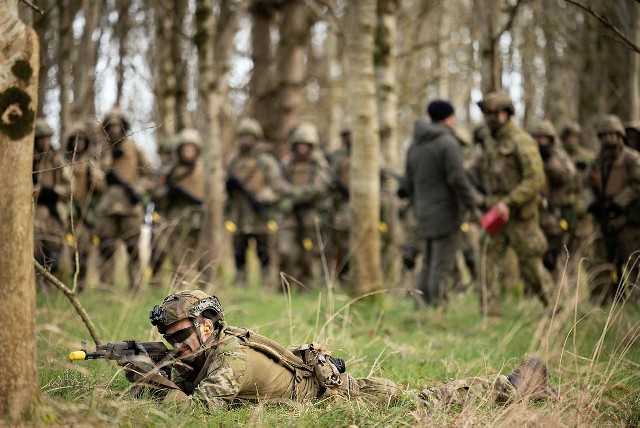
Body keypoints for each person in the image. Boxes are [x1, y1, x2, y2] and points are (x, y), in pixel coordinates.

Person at [115, 290, 559, 411]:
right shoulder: (212, 349)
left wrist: (151, 377)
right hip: (310, 381)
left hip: (330, 393)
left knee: (420, 402)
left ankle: (516, 385)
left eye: (180, 336)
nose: (177, 345)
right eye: (170, 340)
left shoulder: (227, 356)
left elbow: (198, 411)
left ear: (208, 326)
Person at [476, 92, 553, 317]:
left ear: (505, 114)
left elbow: (535, 179)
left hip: (520, 215)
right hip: (495, 214)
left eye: (493, 113)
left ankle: (555, 308)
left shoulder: (521, 140)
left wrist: (510, 202)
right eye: (486, 114)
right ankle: (490, 313)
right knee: (487, 259)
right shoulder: (491, 141)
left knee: (530, 264)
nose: (489, 118)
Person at [404, 99, 478, 308]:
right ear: (449, 118)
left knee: (427, 262)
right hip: (446, 213)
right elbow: (458, 179)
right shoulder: (447, 143)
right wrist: (473, 203)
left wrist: (417, 205)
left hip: (422, 212)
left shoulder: (414, 144)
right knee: (441, 264)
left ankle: (420, 305)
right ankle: (438, 307)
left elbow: (408, 181)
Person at [94, 107, 154, 290]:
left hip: (130, 206)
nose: (114, 130)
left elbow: (149, 174)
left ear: (124, 127)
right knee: (106, 247)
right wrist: (109, 159)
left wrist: (137, 188)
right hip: (107, 206)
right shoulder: (101, 150)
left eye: (118, 126)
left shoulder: (134, 148)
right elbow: (95, 178)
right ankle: (106, 287)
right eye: (110, 126)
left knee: (133, 247)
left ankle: (136, 287)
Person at [225, 118, 289, 288]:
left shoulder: (266, 161)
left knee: (264, 251)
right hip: (239, 214)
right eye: (243, 137)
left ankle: (266, 284)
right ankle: (240, 282)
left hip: (261, 214)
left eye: (249, 137)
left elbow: (277, 186)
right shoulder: (234, 160)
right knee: (239, 251)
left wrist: (263, 196)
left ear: (256, 138)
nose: (246, 141)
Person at [587, 114, 640, 303]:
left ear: (619, 136)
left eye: (613, 135)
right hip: (604, 219)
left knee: (634, 262)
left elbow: (637, 184)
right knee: (602, 261)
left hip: (627, 220)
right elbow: (586, 184)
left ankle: (636, 301)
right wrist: (591, 202)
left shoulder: (631, 158)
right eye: (605, 135)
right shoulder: (597, 162)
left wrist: (619, 202)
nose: (609, 139)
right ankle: (603, 300)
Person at [278, 122, 332, 289]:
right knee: (285, 250)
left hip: (310, 214)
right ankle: (284, 284)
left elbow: (320, 187)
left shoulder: (319, 164)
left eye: (306, 145)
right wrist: (290, 194)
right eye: (300, 145)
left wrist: (297, 195)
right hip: (290, 215)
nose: (302, 149)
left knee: (308, 253)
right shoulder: (288, 164)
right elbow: (278, 184)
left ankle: (305, 285)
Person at [152, 128, 206, 281]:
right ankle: (180, 286)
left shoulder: (203, 169)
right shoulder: (170, 170)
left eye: (191, 149)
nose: (188, 152)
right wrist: (168, 193)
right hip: (175, 217)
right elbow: (157, 194)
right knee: (176, 254)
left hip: (198, 218)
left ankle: (197, 284)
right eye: (185, 149)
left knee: (196, 253)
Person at [528, 120, 577, 277]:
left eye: (544, 138)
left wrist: (549, 162)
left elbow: (568, 176)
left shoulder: (558, 156)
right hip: (531, 214)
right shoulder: (527, 155)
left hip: (553, 214)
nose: (540, 141)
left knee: (553, 257)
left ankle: (558, 293)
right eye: (536, 137)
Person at [64, 122, 105, 288]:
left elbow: (100, 188)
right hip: (65, 212)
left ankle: (80, 284)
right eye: (75, 140)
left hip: (84, 213)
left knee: (84, 250)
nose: (78, 144)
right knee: (64, 249)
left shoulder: (91, 163)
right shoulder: (63, 162)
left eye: (81, 140)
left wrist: (93, 177)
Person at [32, 118, 72, 283]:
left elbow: (70, 186)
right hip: (36, 211)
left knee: (56, 249)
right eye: (42, 138)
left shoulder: (57, 159)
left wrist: (55, 192)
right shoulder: (29, 160)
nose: (46, 142)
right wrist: (39, 191)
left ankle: (55, 282)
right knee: (36, 249)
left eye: (48, 138)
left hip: (55, 211)